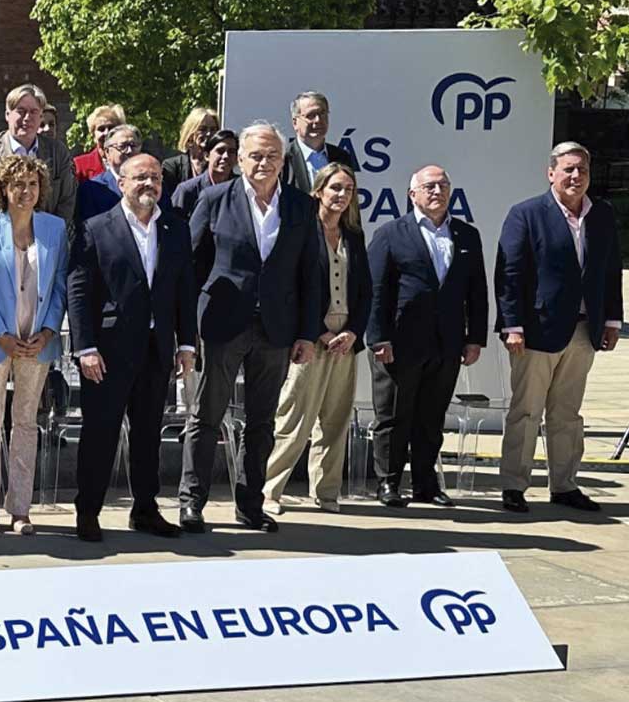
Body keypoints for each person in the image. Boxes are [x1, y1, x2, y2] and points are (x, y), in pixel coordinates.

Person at [179, 122, 321, 534]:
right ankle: (192, 503)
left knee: (261, 423)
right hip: (223, 323)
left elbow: (310, 274)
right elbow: (191, 265)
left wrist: (306, 334)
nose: (264, 163)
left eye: (272, 156)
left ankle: (250, 504)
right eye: (256, 155)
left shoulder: (299, 206)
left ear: (283, 160)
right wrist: (188, 329)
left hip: (276, 329)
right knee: (206, 416)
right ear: (240, 159)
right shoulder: (213, 199)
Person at [67, 152, 195, 541]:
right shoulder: (94, 228)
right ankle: (88, 511)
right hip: (107, 352)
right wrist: (85, 346)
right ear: (120, 182)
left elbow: (184, 290)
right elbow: (78, 289)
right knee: (100, 434)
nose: (149, 184)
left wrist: (186, 343)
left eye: (155, 177)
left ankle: (145, 509)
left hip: (157, 350)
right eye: (140, 177)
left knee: (147, 435)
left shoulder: (175, 228)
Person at [495, 142, 623, 513]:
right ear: (550, 173)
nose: (576, 176)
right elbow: (510, 274)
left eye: (582, 169)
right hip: (537, 331)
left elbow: (610, 269)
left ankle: (564, 485)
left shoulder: (601, 215)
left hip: (584, 331)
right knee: (526, 411)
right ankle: (514, 486)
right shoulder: (527, 214)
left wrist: (612, 319)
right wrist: (512, 325)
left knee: (567, 414)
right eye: (568, 169)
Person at [0, 153, 69, 536]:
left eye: (33, 184)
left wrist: (50, 330)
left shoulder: (54, 229)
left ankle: (20, 509)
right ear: (2, 188)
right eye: (18, 184)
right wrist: (0, 335)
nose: (26, 191)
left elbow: (60, 287)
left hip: (38, 343)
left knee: (25, 423)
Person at [368, 164, 488, 509]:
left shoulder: (466, 235)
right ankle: (388, 483)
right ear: (412, 195)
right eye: (430, 186)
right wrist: (378, 337)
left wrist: (474, 336)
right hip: (400, 344)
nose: (437, 192)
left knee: (431, 417)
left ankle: (425, 483)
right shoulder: (391, 233)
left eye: (443, 186)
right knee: (393, 415)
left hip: (446, 343)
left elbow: (476, 290)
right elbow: (377, 290)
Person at [260, 163, 370, 515]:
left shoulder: (354, 235)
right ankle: (269, 492)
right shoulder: (303, 231)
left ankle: (326, 493)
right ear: (319, 191)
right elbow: (291, 287)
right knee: (294, 419)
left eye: (348, 190)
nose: (342, 195)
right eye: (335, 188)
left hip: (346, 341)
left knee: (335, 420)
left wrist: (353, 332)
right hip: (310, 339)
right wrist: (314, 331)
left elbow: (366, 290)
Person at [0, 83, 77, 225]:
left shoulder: (58, 152)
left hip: (48, 238)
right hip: (1, 238)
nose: (27, 118)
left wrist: (49, 233)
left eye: (33, 112)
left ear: (40, 117)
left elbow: (67, 202)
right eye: (21, 111)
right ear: (7, 115)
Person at [281, 91, 356, 194]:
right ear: (295, 122)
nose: (318, 120)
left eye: (322, 114)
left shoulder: (342, 157)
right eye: (310, 115)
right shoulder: (283, 159)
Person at [76, 123, 151, 221]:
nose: (129, 151)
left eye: (133, 145)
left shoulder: (153, 185)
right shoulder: (90, 189)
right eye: (122, 146)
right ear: (107, 152)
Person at [169, 129, 239, 218]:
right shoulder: (187, 191)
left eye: (231, 152)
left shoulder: (242, 189)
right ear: (207, 155)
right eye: (220, 151)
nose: (225, 156)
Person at [161, 106, 220, 197]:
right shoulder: (172, 166)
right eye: (202, 129)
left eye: (213, 130)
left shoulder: (220, 165)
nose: (208, 134)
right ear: (190, 133)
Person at [72, 103, 126, 183]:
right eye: (101, 129)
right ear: (93, 135)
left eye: (111, 127)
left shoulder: (130, 162)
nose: (106, 132)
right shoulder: (79, 165)